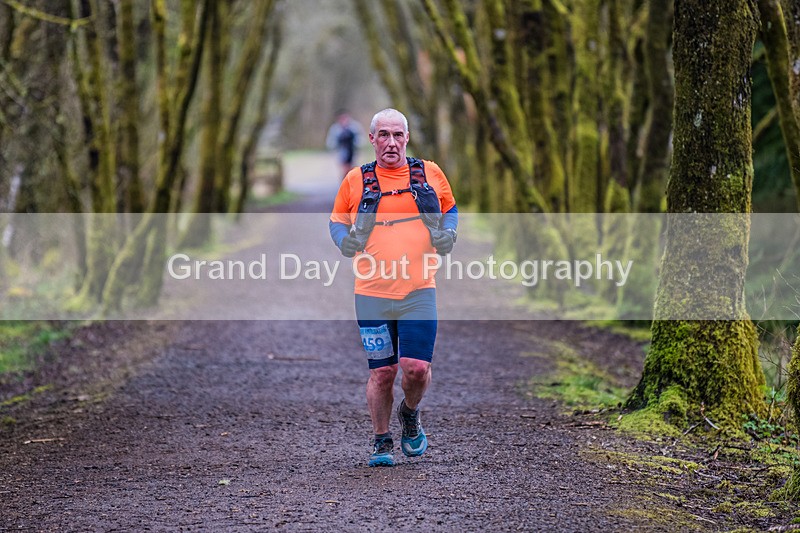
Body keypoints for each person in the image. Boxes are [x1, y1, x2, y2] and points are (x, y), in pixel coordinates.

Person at [329, 108, 458, 467]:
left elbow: (450, 209)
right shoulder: (356, 180)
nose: (391, 142)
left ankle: (411, 413)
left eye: (397, 135)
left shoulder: (428, 173)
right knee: (383, 372)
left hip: (419, 289)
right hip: (371, 293)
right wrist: (344, 241)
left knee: (415, 368)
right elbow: (337, 220)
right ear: (371, 139)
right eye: (383, 135)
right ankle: (382, 440)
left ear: (407, 137)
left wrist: (449, 234)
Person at [326, 110, 364, 179]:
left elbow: (361, 140)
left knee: (353, 171)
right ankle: (345, 185)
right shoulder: (335, 129)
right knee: (344, 170)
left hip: (353, 152)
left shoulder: (354, 127)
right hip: (341, 152)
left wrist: (357, 145)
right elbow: (330, 142)